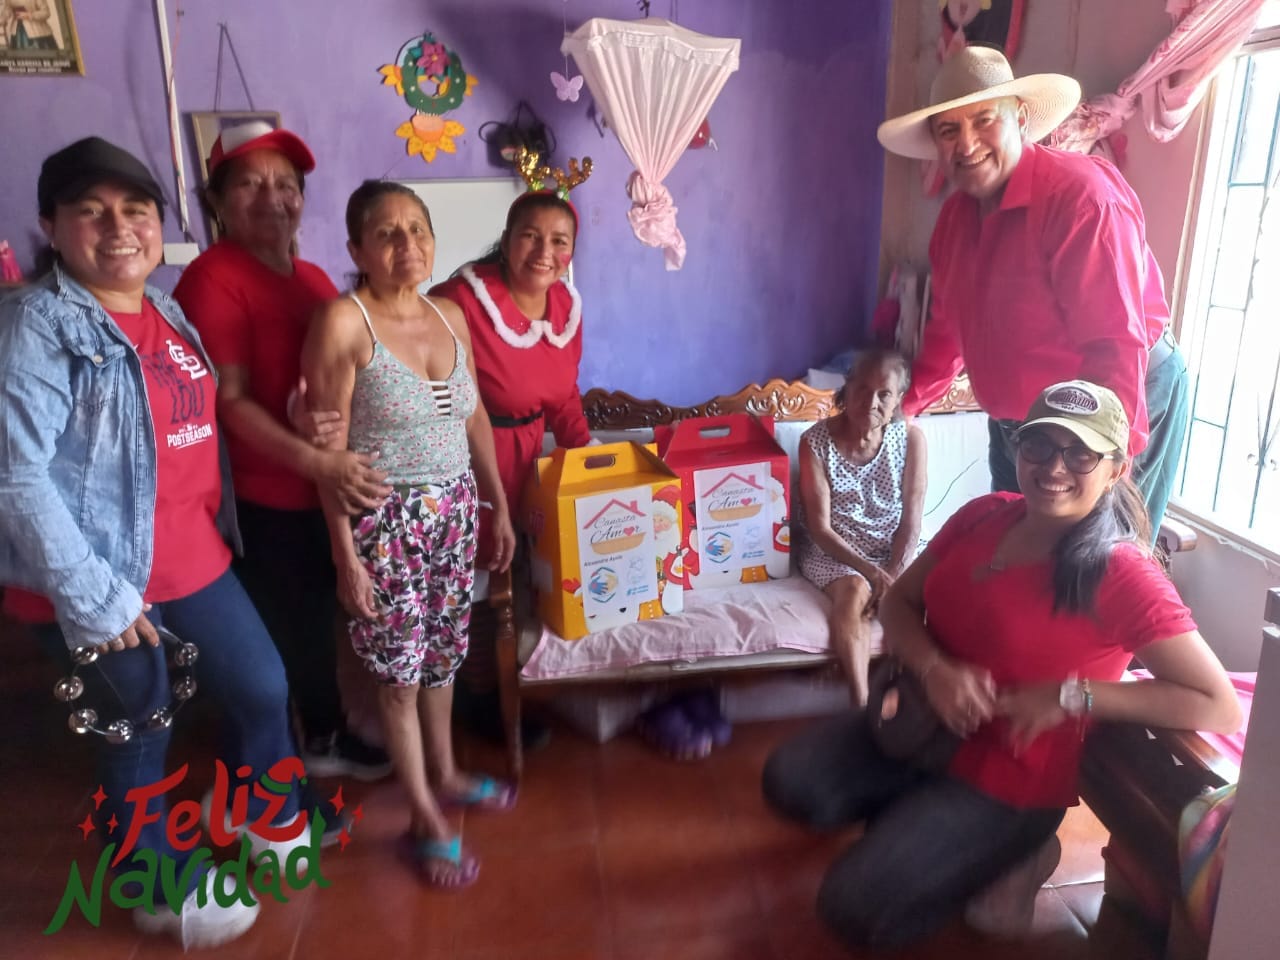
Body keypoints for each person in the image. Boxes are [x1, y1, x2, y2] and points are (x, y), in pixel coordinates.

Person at [762, 379, 1241, 952]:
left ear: (1115, 469)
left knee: (851, 907)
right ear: (1018, 447)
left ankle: (1020, 853)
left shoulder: (1122, 573)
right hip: (920, 725)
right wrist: (936, 670)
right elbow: (897, 603)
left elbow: (1217, 702)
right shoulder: (984, 514)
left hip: (1009, 777)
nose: (1054, 466)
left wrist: (1070, 695)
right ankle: (918, 818)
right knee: (789, 782)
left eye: (1080, 453)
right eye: (1039, 445)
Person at [0, 137, 323, 948]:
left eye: (136, 210)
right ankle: (154, 884)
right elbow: (16, 477)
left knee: (261, 685)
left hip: (191, 555)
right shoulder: (36, 325)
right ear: (51, 225)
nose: (119, 228)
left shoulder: (165, 308)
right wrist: (94, 598)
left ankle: (261, 817)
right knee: (138, 722)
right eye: (91, 211)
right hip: (98, 577)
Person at [877, 45, 1190, 534]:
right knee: (1015, 553)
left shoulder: (1080, 199)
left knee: (1093, 560)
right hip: (1020, 422)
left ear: (1020, 119)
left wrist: (1108, 465)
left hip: (1115, 401)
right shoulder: (954, 221)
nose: (966, 144)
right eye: (949, 130)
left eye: (984, 120)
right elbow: (950, 329)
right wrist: (906, 405)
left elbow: (1115, 344)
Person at [302, 180, 518, 889]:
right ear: (357, 248)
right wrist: (345, 556)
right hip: (385, 526)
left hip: (455, 513)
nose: (407, 245)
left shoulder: (449, 314)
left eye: (418, 230)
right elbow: (327, 453)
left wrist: (497, 504)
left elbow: (474, 416)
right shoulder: (343, 323)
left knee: (444, 657)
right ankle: (423, 812)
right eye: (387, 233)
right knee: (398, 674)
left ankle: (446, 773)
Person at [173, 121, 391, 781]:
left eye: (286, 184)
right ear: (217, 201)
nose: (273, 198)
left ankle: (322, 729)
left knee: (319, 616)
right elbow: (229, 401)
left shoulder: (313, 276)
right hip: (266, 496)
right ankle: (299, 752)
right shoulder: (212, 280)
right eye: (250, 184)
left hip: (325, 489)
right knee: (287, 629)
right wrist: (319, 462)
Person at [429, 178, 593, 747]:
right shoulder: (461, 299)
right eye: (530, 236)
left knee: (518, 576)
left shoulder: (565, 308)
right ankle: (471, 701)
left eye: (560, 241)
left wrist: (587, 461)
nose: (545, 252)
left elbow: (564, 398)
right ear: (506, 239)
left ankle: (504, 689)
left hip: (529, 457)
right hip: (469, 455)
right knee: (475, 581)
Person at [796, 349, 927, 705]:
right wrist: (872, 574)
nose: (871, 402)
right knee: (854, 591)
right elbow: (820, 529)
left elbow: (912, 521)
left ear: (898, 398)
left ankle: (917, 698)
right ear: (847, 387)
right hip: (835, 551)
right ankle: (861, 704)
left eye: (884, 394)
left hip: (892, 550)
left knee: (935, 592)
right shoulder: (814, 443)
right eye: (862, 389)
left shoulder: (912, 440)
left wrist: (892, 577)